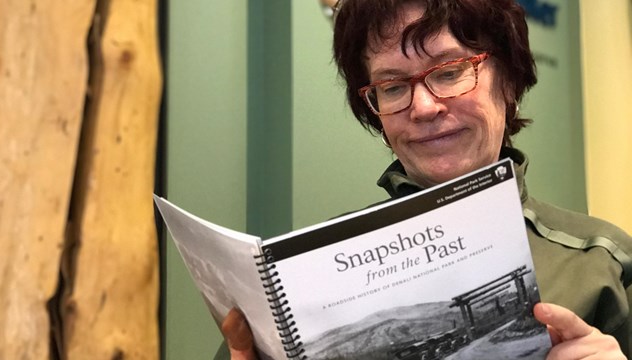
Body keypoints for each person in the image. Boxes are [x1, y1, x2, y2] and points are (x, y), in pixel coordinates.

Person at [216, 0, 632, 358]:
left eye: (449, 72)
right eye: (393, 87)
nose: (424, 107)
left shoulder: (602, 262)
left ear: (508, 82)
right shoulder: (306, 272)